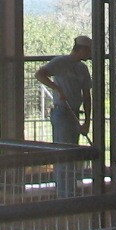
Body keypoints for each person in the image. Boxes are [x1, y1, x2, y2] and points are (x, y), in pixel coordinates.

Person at [37, 35, 94, 196]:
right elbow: (40, 74)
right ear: (82, 50)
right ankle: (64, 193)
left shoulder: (83, 68)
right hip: (62, 112)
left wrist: (87, 121)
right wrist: (57, 88)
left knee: (71, 153)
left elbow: (87, 96)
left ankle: (69, 190)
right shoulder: (60, 62)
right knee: (64, 153)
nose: (89, 55)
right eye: (88, 51)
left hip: (74, 112)